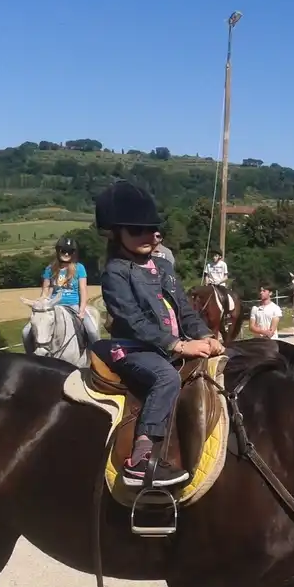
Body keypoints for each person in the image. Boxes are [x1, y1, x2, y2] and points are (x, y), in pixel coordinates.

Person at [96, 180, 225, 488]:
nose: (148, 236)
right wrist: (178, 344)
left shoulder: (163, 269)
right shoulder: (115, 272)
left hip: (168, 347)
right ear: (116, 233)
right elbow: (133, 320)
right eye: (137, 230)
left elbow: (185, 310)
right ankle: (140, 459)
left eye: (151, 230)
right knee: (166, 377)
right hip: (132, 350)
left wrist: (207, 336)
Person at [21, 236, 101, 351]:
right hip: (54, 305)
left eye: (70, 251)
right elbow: (45, 291)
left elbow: (82, 290)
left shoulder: (79, 268)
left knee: (92, 331)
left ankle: (97, 356)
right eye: (64, 251)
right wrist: (41, 303)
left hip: (73, 305)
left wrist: (82, 310)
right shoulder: (50, 269)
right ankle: (31, 358)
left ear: (74, 253)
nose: (67, 254)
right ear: (58, 251)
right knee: (26, 332)